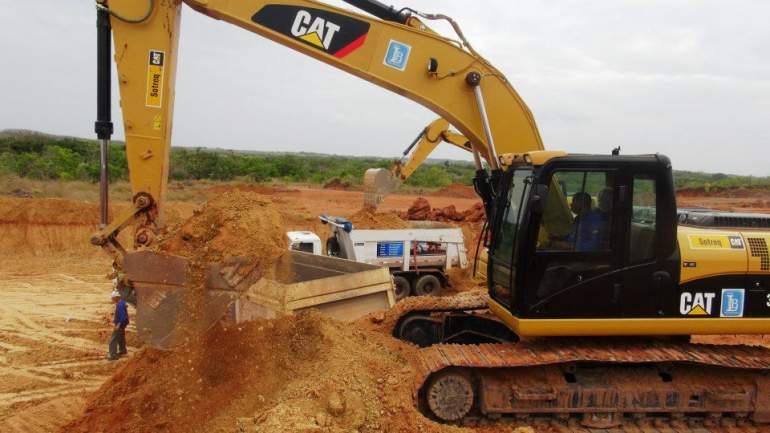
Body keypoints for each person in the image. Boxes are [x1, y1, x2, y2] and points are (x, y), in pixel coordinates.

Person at [107, 290, 129, 361]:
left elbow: (123, 316)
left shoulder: (120, 305)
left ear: (116, 297)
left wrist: (118, 325)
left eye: (113, 298)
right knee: (121, 337)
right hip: (123, 324)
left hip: (120, 324)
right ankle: (123, 351)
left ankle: (113, 355)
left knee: (113, 339)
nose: (112, 300)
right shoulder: (122, 302)